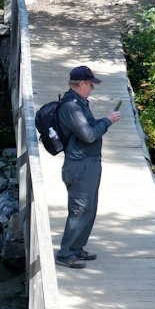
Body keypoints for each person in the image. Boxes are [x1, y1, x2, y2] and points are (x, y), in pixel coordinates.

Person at [55, 65, 121, 270]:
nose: (92, 88)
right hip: (79, 165)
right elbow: (89, 135)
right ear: (81, 84)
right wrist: (108, 121)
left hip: (89, 163)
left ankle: (77, 248)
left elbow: (88, 130)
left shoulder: (80, 103)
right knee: (79, 209)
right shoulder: (71, 106)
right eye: (90, 84)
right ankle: (65, 254)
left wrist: (104, 120)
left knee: (89, 208)